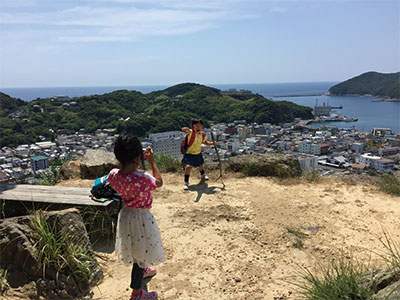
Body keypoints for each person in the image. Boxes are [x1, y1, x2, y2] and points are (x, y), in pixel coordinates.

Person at [107, 134, 164, 300]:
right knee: (140, 252)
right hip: (142, 218)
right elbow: (159, 182)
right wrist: (152, 162)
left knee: (135, 247)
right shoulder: (143, 178)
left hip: (126, 215)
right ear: (138, 157)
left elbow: (116, 181)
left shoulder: (113, 175)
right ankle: (137, 294)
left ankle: (143, 269)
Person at [181, 118, 216, 190]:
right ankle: (186, 182)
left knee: (200, 165)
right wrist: (186, 129)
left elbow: (205, 142)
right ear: (193, 126)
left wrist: (213, 143)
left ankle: (203, 174)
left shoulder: (202, 135)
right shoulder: (191, 133)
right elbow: (187, 130)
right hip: (189, 153)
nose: (198, 127)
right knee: (188, 167)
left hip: (198, 153)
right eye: (196, 125)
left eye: (200, 125)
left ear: (202, 127)